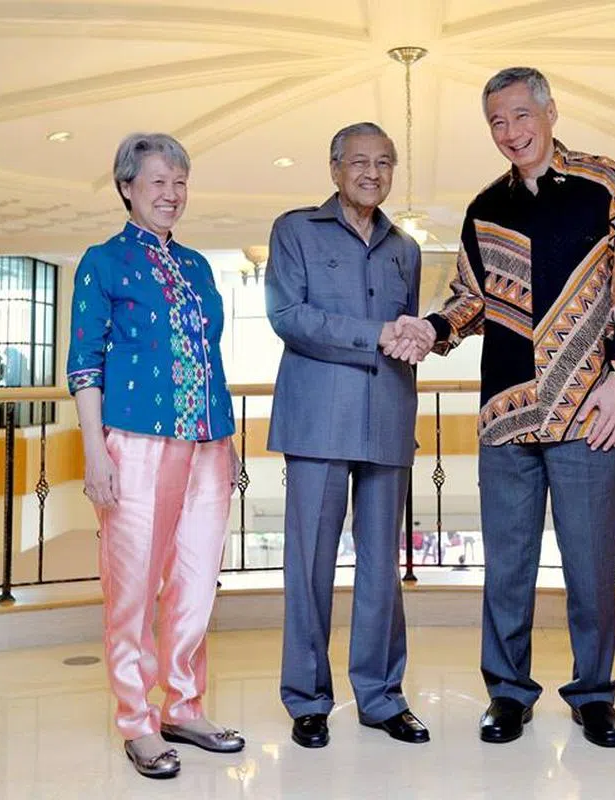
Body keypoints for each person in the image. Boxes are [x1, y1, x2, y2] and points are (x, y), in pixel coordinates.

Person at [393, 67, 615, 748]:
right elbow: (470, 299)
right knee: (505, 566)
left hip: (590, 410)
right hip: (508, 413)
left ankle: (594, 695)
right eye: (496, 122)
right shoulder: (484, 208)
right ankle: (508, 694)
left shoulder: (609, 187)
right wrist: (433, 328)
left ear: (550, 111)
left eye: (519, 116)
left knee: (591, 566)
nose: (509, 132)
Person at [67, 132, 245, 779]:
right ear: (126, 188)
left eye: (179, 182)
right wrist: (96, 453)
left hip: (208, 444)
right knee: (134, 590)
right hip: (136, 444)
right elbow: (85, 365)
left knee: (197, 585)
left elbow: (209, 357)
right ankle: (137, 721)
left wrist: (223, 440)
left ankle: (185, 705)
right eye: (156, 183)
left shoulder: (197, 266)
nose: (171, 195)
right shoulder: (103, 262)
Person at [266, 122, 430, 748]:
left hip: (387, 419)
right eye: (359, 162)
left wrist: (411, 336)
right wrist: (376, 334)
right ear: (334, 169)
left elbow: (406, 330)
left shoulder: (405, 249)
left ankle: (382, 697)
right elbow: (290, 317)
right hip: (318, 421)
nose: (372, 173)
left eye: (384, 162)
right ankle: (307, 699)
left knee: (383, 569)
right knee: (310, 565)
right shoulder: (294, 230)